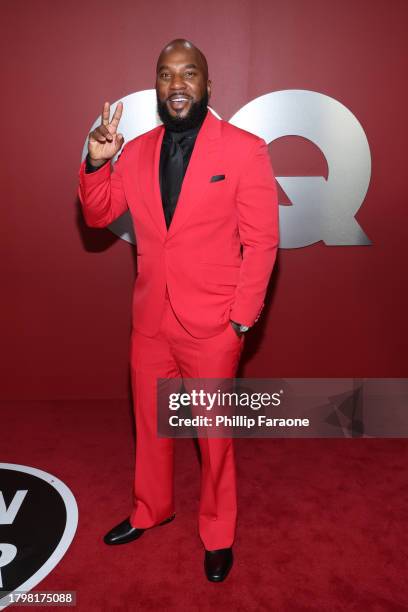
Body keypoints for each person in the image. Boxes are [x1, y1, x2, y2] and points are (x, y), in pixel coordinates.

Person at [78, 38, 279, 582]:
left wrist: (240, 318)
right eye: (167, 75)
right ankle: (151, 509)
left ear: (207, 84)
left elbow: (262, 242)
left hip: (213, 323)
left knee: (213, 438)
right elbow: (98, 216)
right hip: (149, 321)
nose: (178, 85)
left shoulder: (243, 148)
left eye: (189, 73)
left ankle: (219, 533)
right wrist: (97, 161)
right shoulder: (136, 150)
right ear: (157, 87)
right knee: (151, 426)